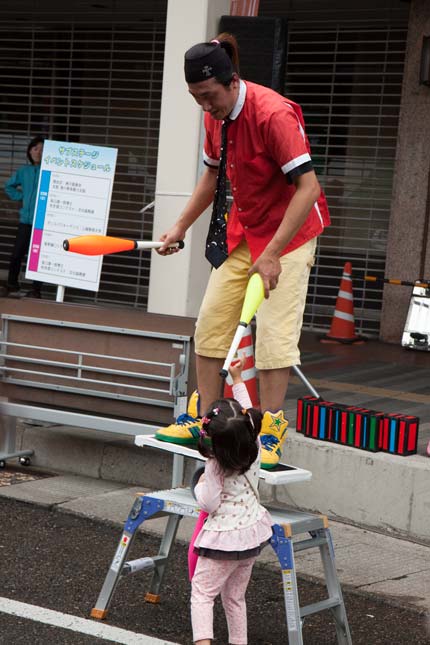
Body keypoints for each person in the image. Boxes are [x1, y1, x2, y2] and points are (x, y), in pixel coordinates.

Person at [155, 33, 330, 468]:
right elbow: (212, 178)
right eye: (196, 97)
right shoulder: (216, 116)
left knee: (273, 337)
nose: (204, 106)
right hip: (246, 231)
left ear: (231, 82)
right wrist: (178, 226)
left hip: (288, 236)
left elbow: (308, 188)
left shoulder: (273, 114)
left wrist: (272, 254)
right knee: (211, 323)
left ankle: (269, 431)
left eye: (208, 96)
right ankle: (204, 420)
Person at [190, 358, 273, 645]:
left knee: (202, 594)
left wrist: (200, 485)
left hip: (222, 540)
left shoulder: (215, 466)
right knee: (235, 597)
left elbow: (208, 504)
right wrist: (238, 381)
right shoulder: (255, 445)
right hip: (251, 533)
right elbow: (248, 415)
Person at [1, 136, 44, 298]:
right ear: (30, 151)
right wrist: (22, 197)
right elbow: (8, 186)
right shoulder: (24, 171)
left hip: (42, 222)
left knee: (37, 257)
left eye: (42, 149)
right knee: (17, 254)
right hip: (25, 221)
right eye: (35, 148)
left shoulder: (49, 171)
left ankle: (36, 290)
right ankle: (12, 285)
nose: (39, 152)